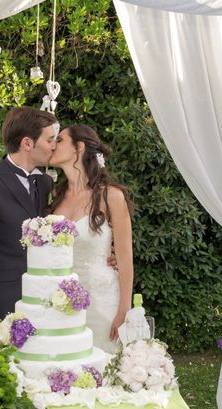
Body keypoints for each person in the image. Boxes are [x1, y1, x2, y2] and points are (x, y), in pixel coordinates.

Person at [0, 107, 58, 341]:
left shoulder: (45, 183)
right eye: (50, 140)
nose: (54, 146)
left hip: (44, 304)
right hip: (3, 308)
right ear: (27, 143)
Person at [48, 124, 134, 354]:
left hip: (102, 300)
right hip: (60, 300)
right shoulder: (54, 195)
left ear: (79, 147)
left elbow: (125, 259)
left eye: (60, 140)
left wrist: (124, 310)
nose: (53, 145)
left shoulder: (111, 196)